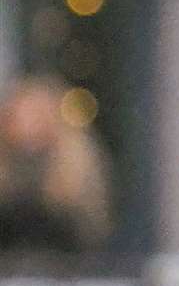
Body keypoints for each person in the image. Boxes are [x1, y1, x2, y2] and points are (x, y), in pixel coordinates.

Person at [0, 76, 112, 258]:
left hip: (66, 276)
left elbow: (89, 233)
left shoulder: (74, 169)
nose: (26, 124)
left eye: (34, 115)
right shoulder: (6, 169)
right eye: (19, 115)